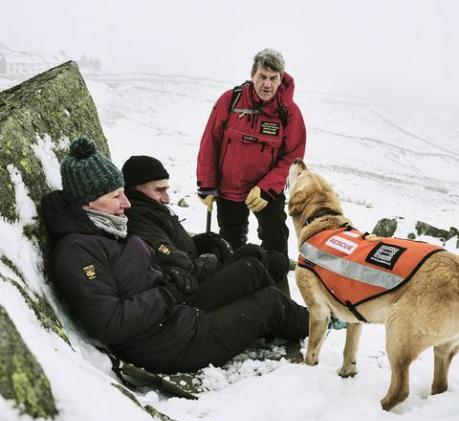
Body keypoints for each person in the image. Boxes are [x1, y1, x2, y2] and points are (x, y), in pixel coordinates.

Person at [42, 136, 309, 374]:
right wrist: (167, 291)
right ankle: (322, 326)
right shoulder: (76, 251)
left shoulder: (107, 228)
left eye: (124, 193)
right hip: (169, 344)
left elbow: (139, 274)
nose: (127, 203)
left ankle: (304, 320)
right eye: (116, 196)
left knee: (249, 271)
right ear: (88, 202)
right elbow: (111, 322)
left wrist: (171, 275)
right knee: (270, 304)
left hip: (176, 314)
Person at [196, 48, 306, 291]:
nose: (267, 84)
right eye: (262, 77)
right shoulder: (230, 100)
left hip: (267, 193)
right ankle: (235, 294)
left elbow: (294, 157)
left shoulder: (289, 112)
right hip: (229, 189)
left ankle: (278, 298)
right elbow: (210, 142)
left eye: (273, 78)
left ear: (281, 78)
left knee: (276, 244)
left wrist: (267, 189)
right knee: (231, 244)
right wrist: (206, 184)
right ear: (252, 75)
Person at [121, 154, 290, 309]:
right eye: (159, 190)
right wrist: (209, 261)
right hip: (194, 287)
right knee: (253, 265)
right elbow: (173, 261)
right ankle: (278, 311)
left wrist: (205, 242)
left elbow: (177, 244)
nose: (167, 198)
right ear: (135, 188)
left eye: (166, 189)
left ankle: (278, 308)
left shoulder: (151, 208)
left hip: (200, 272)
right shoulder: (139, 218)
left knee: (261, 255)